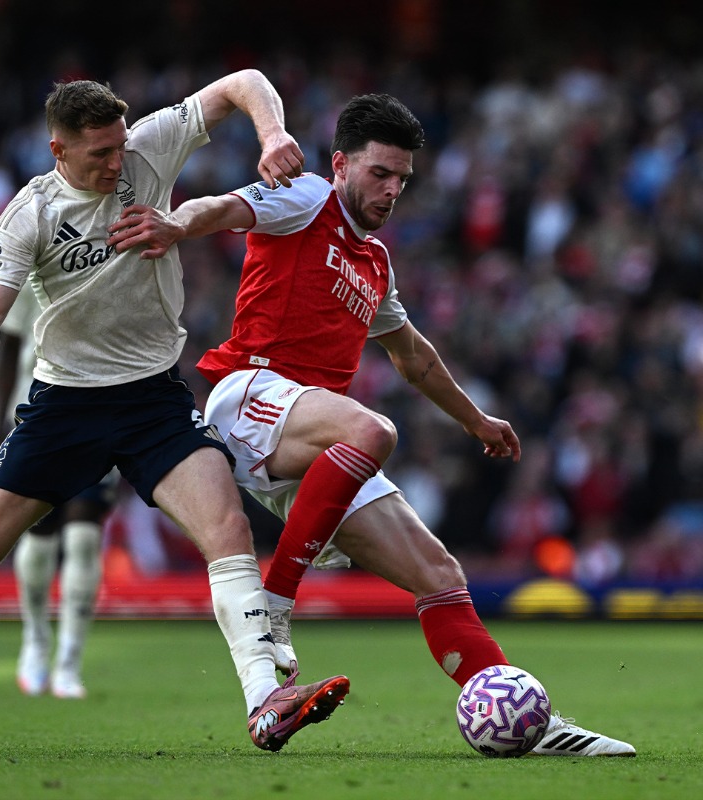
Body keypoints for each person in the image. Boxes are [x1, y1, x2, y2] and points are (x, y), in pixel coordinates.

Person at [106, 93, 636, 757]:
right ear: (340, 165)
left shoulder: (376, 263)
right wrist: (176, 226)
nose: (391, 190)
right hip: (250, 397)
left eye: (401, 179)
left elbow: (414, 357)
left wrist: (476, 420)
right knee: (374, 432)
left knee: (438, 571)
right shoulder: (306, 197)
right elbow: (221, 208)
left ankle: (529, 722)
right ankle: (275, 604)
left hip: (314, 439)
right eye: (380, 173)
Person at [0, 70, 349, 752]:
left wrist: (272, 133)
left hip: (152, 400)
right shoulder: (30, 212)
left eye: (119, 146)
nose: (117, 163)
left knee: (227, 526)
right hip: (65, 407)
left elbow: (244, 82)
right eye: (100, 154)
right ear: (58, 151)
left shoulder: (146, 147)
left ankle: (265, 699)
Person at [0, 282, 117, 699]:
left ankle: (69, 662)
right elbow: (10, 352)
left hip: (101, 418)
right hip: (35, 417)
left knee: (83, 537)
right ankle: (36, 639)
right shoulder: (32, 274)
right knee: (40, 535)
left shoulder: (118, 271)